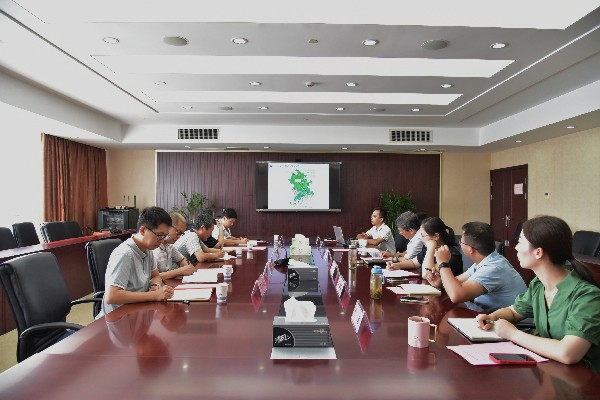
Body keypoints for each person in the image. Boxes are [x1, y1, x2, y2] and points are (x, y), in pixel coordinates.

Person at [476, 216, 600, 372]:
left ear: (538, 252)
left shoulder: (587, 297)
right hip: (549, 371)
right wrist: (492, 317)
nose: (516, 248)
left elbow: (568, 353)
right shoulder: (538, 285)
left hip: (583, 380)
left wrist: (513, 334)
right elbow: (514, 312)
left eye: (520, 242)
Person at [425, 221, 526, 312]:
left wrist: (443, 263)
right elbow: (458, 281)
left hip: (509, 324)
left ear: (470, 249)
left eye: (461, 242)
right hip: (486, 316)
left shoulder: (493, 268)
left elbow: (456, 295)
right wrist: (441, 282)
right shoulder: (487, 260)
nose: (460, 244)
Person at [99, 206, 175, 318]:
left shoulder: (148, 250)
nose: (162, 240)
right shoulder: (125, 254)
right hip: (119, 317)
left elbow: (155, 276)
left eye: (164, 236)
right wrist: (154, 295)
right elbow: (112, 296)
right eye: (159, 235)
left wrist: (155, 285)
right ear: (143, 230)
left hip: (138, 311)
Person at [387, 217, 462, 275]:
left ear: (436, 236)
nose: (421, 239)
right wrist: (396, 265)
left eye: (423, 236)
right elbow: (414, 263)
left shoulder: (451, 255)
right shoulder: (426, 248)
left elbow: (427, 274)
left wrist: (430, 248)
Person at [152, 212, 195, 280]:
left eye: (182, 234)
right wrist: (180, 271)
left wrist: (186, 267)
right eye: (178, 232)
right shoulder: (153, 247)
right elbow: (154, 277)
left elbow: (182, 260)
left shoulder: (170, 246)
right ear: (168, 227)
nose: (179, 236)